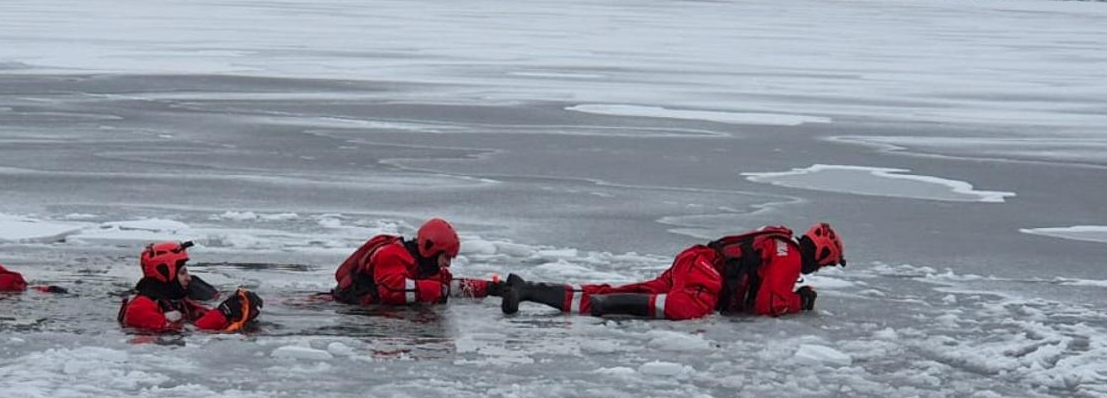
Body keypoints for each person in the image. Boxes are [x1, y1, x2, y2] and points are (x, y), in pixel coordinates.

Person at [500, 223, 845, 319]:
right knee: (688, 307)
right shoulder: (791, 257)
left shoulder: (780, 241)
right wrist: (801, 302)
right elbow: (770, 304)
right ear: (822, 255)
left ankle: (528, 289)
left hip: (697, 260)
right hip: (706, 271)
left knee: (632, 291)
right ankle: (612, 306)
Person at [330, 218, 504, 306]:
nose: (448, 264)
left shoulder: (423, 264)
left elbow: (449, 285)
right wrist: (438, 291)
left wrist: (490, 288)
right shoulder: (390, 255)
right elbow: (392, 290)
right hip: (351, 310)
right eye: (447, 257)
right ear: (431, 249)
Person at [119, 241, 263, 332]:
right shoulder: (141, 307)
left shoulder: (176, 301)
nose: (189, 278)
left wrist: (237, 309)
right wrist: (222, 313)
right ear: (165, 274)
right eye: (182, 273)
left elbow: (203, 315)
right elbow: (186, 332)